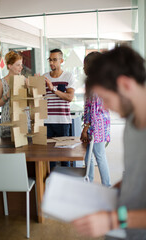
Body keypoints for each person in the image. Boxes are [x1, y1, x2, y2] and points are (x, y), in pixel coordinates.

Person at [72, 46, 146, 240]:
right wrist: (111, 193)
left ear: (125, 85)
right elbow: (136, 176)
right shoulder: (132, 123)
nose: (104, 106)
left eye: (105, 98)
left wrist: (113, 220)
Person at [81, 52, 111, 186]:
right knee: (89, 156)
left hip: (96, 125)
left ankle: (106, 185)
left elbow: (93, 109)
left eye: (85, 65)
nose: (83, 68)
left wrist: (86, 127)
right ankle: (90, 181)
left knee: (99, 156)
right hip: (100, 123)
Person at [44, 49, 75, 169]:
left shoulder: (68, 76)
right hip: (47, 122)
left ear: (61, 61)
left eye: (55, 60)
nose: (52, 62)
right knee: (49, 157)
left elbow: (69, 97)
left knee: (64, 156)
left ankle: (64, 183)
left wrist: (53, 89)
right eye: (50, 60)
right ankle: (52, 182)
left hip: (63, 122)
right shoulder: (45, 77)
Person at [0, 51, 23, 137]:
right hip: (8, 123)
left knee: (25, 149)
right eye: (18, 65)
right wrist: (7, 95)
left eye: (21, 65)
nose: (21, 67)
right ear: (9, 66)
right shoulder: (1, 83)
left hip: (23, 122)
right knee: (8, 148)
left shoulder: (24, 80)